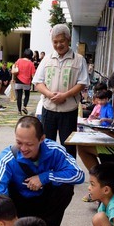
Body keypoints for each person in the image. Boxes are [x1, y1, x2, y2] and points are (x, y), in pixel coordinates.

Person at [0, 116, 85, 226]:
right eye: (19, 142)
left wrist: (45, 177)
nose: (23, 148)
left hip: (43, 203)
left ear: (41, 139)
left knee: (65, 187)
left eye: (29, 144)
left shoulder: (55, 151)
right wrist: (5, 217)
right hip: (15, 207)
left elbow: (78, 175)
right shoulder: (8, 156)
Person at [33, 24, 89, 158]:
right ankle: (46, 176)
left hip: (68, 111)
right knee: (45, 145)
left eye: (61, 41)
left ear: (69, 39)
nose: (58, 45)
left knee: (68, 147)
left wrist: (65, 95)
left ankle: (67, 177)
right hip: (49, 109)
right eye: (55, 42)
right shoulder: (46, 59)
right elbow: (38, 82)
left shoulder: (79, 60)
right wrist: (49, 94)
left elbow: (82, 83)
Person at [13, 48, 36, 115]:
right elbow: (33, 75)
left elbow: (14, 69)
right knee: (27, 95)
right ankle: (24, 106)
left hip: (18, 81)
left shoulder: (19, 60)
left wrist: (13, 78)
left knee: (19, 96)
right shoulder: (31, 64)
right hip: (27, 82)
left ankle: (19, 111)